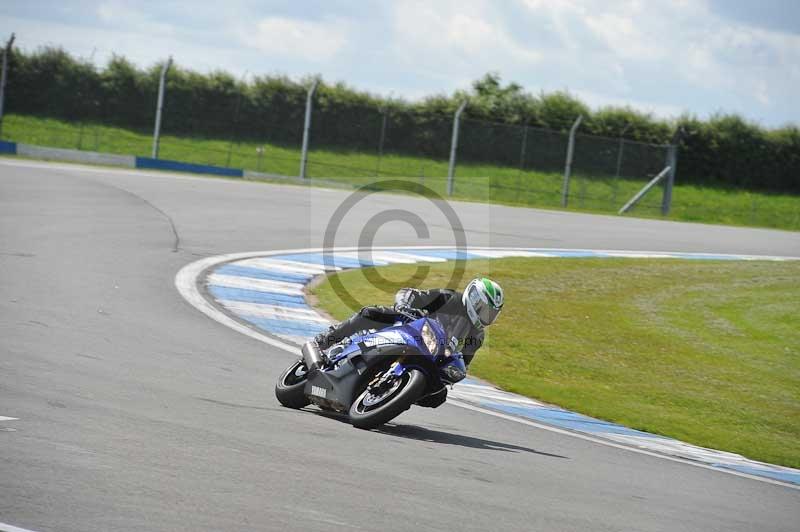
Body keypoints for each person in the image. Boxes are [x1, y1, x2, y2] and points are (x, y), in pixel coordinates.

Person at [314, 276, 504, 369]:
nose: (487, 316)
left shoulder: (477, 335)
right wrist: (405, 306)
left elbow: (463, 362)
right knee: (370, 313)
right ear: (474, 299)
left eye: (492, 313)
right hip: (409, 328)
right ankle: (329, 338)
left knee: (437, 398)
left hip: (430, 357)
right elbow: (411, 294)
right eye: (486, 310)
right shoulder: (450, 298)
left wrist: (455, 371)